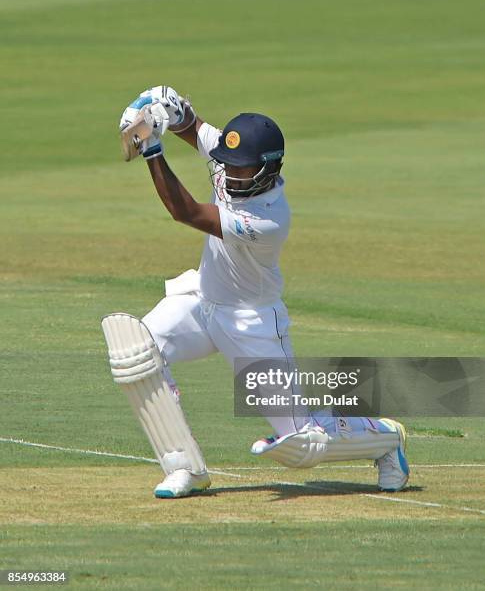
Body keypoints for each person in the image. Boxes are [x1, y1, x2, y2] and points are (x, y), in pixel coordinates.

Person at [108, 86, 410, 498]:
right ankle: (185, 467)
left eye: (243, 169)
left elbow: (187, 212)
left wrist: (151, 146)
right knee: (137, 353)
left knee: (303, 443)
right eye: (228, 165)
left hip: (250, 322)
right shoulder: (236, 158)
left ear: (268, 168)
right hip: (201, 300)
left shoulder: (268, 219)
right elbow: (193, 127)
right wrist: (160, 109)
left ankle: (386, 438)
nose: (231, 174)